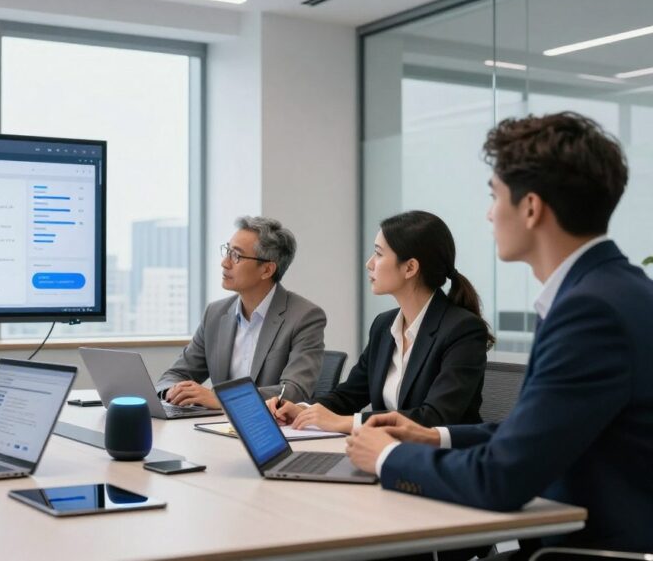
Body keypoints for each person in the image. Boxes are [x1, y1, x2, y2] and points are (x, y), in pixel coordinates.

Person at [347, 112, 653, 555]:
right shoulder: (609, 291)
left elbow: (500, 479)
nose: (489, 214)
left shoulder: (590, 312)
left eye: (494, 196)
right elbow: (534, 435)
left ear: (531, 208)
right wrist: (435, 437)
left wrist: (385, 456)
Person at [268, 210, 492, 434]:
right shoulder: (384, 326)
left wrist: (347, 423)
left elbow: (435, 417)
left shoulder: (463, 330)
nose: (369, 263)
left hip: (443, 459)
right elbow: (350, 395)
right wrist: (302, 410)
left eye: (378, 253)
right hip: (389, 452)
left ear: (410, 268)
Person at [155, 216, 327, 408]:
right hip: (217, 428)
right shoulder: (215, 313)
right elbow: (175, 375)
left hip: (270, 430)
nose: (224, 262)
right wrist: (173, 391)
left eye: (236, 256)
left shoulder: (305, 317)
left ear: (267, 270)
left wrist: (222, 399)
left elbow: (294, 391)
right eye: (227, 251)